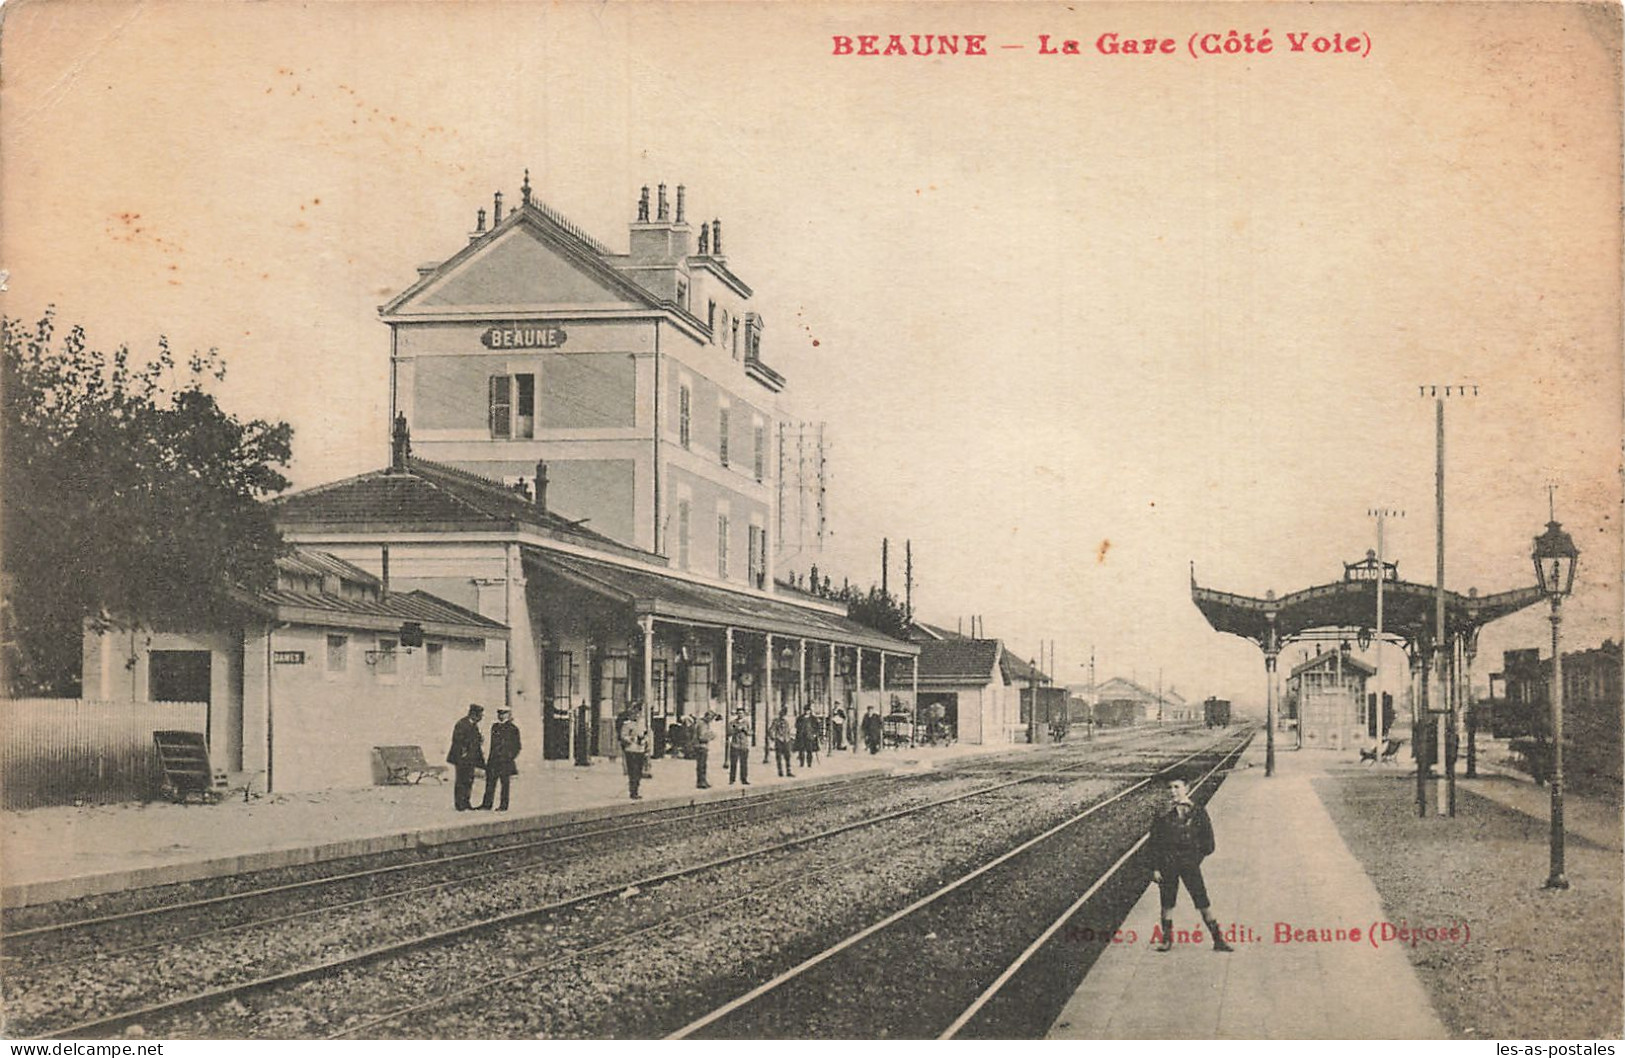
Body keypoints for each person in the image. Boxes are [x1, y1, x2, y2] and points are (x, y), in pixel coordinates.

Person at [1147, 778, 1234, 953]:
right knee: (1167, 902)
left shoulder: (1198, 812)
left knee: (1202, 901)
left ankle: (1218, 940)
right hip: (1167, 865)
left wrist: (1194, 859)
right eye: (1169, 787)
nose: (1173, 791)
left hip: (1190, 865)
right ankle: (1166, 940)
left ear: (1186, 788)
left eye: (1177, 787)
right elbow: (1153, 843)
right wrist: (1155, 868)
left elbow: (1208, 843)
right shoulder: (1162, 813)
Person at [479, 707, 521, 811]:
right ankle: (487, 804)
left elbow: (517, 746)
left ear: (508, 714)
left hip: (505, 761)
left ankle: (503, 805)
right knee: (490, 783)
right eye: (499, 713)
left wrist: (509, 757)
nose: (501, 716)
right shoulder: (495, 727)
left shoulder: (513, 728)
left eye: (503, 713)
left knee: (505, 784)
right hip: (493, 760)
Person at [446, 703, 486, 811]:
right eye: (480, 715)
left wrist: (479, 740)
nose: (481, 718)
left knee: (469, 780)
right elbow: (458, 740)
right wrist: (464, 753)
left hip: (471, 758)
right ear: (473, 714)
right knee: (461, 780)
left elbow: (475, 739)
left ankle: (466, 802)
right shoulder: (462, 724)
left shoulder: (473, 725)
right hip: (462, 758)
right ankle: (459, 804)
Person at [619, 709, 651, 800]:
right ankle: (633, 791)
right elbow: (623, 736)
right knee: (633, 770)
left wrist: (645, 742)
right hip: (631, 750)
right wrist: (632, 739)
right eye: (635, 714)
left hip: (640, 750)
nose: (637, 716)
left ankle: (636, 789)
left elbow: (646, 735)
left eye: (638, 714)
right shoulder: (627, 724)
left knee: (639, 771)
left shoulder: (642, 724)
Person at [727, 707, 752, 785]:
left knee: (744, 763)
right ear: (736, 714)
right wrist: (736, 729)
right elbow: (729, 732)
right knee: (733, 763)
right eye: (739, 713)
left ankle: (744, 779)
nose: (740, 715)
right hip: (735, 745)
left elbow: (750, 733)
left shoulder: (746, 723)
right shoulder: (732, 722)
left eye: (742, 713)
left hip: (744, 745)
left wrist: (745, 730)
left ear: (744, 714)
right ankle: (732, 779)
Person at [692, 709, 716, 789]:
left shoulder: (701, 723)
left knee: (701, 765)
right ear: (707, 716)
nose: (711, 720)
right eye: (710, 718)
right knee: (702, 765)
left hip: (699, 746)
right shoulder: (703, 724)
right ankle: (701, 782)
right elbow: (702, 737)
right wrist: (711, 736)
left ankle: (702, 781)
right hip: (701, 746)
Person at [769, 707, 794, 777]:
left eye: (784, 714)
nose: (783, 716)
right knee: (779, 757)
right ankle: (780, 772)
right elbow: (771, 730)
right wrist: (773, 737)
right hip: (779, 740)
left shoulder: (787, 721)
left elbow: (789, 730)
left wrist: (791, 737)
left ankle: (788, 771)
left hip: (787, 740)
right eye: (782, 714)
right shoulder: (776, 721)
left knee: (788, 756)